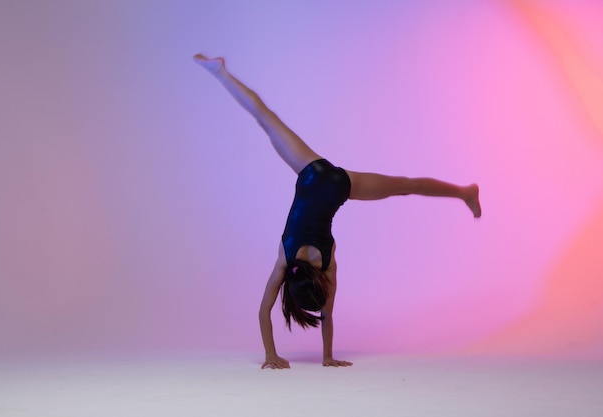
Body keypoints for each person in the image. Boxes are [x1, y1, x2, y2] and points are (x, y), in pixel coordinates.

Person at [193, 54, 481, 370]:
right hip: (312, 172)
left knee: (405, 185)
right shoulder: (285, 260)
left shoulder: (327, 264)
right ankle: (220, 71)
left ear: (320, 284)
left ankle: (465, 192)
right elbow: (263, 312)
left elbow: (326, 314)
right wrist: (275, 355)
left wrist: (323, 357)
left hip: (340, 186)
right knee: (264, 117)